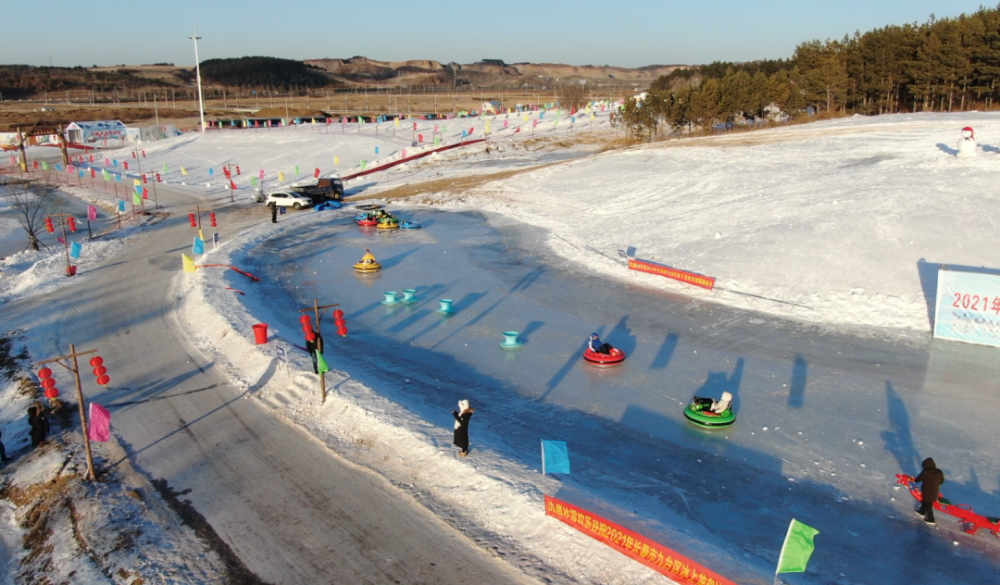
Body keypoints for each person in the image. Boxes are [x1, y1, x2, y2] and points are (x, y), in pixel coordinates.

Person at [914, 457, 945, 525]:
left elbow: (918, 479)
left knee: (928, 504)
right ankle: (922, 511)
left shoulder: (925, 472)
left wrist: (915, 480)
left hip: (926, 491)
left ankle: (931, 519)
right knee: (926, 501)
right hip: (935, 491)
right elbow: (942, 481)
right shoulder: (939, 471)